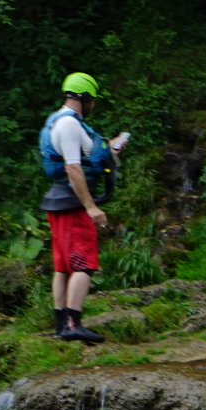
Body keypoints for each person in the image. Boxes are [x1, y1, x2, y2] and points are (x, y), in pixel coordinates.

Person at [38, 73, 125, 344]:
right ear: (84, 99)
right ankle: (73, 324)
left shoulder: (58, 121)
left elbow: (84, 158)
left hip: (58, 201)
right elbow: (73, 168)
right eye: (93, 100)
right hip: (72, 203)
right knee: (83, 264)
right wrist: (91, 207)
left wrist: (111, 149)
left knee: (63, 266)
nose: (94, 105)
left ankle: (60, 323)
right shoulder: (70, 125)